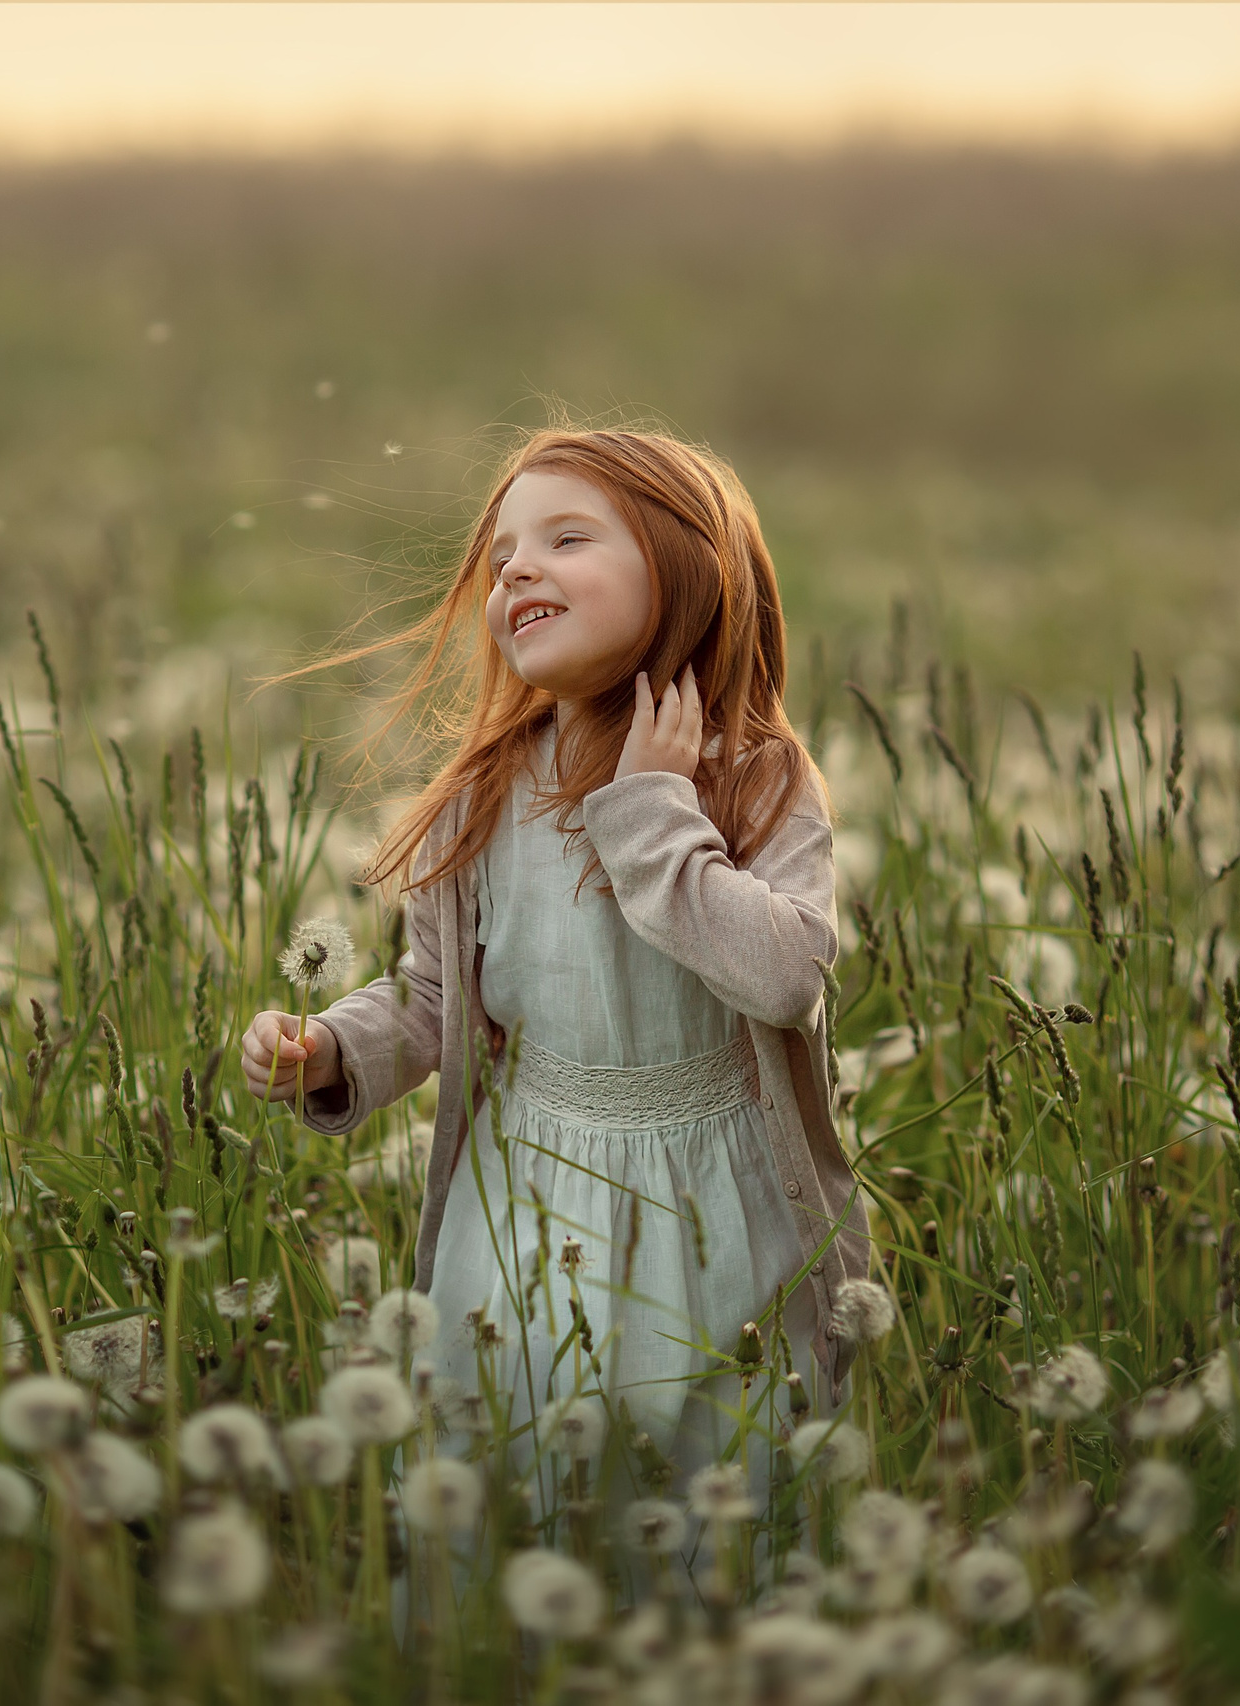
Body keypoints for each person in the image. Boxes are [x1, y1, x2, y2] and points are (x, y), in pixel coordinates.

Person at [239, 424, 870, 1515]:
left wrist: (649, 811)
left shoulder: (757, 778)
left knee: (716, 1480)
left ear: (686, 569)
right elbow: (436, 998)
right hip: (528, 1192)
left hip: (720, 1200)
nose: (516, 567)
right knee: (520, 1468)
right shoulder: (487, 787)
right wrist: (336, 1047)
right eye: (500, 558)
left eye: (565, 538)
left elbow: (781, 979)